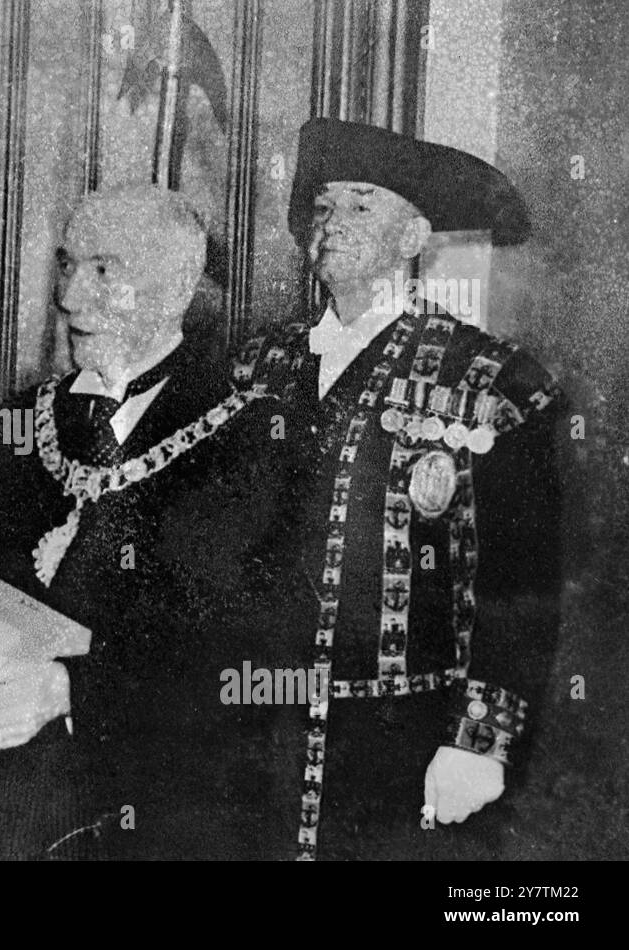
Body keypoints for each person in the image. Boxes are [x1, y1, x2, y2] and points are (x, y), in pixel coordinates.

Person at [0, 184, 313, 859]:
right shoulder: (26, 420)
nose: (69, 297)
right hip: (9, 815)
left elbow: (250, 655)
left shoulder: (257, 438)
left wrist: (71, 688)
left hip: (162, 818)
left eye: (104, 270)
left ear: (177, 286)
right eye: (66, 265)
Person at [233, 118, 564, 860]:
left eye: (359, 204)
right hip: (257, 730)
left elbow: (522, 584)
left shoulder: (491, 379)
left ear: (413, 238)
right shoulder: (257, 365)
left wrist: (481, 740)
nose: (331, 223)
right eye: (322, 205)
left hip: (402, 744)